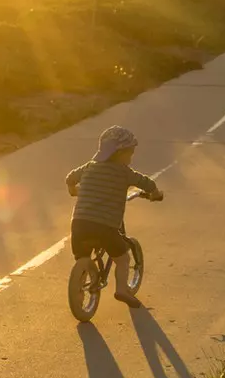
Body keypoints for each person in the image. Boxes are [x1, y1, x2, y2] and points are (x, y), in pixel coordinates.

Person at [64, 125, 163, 309]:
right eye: (130, 153)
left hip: (79, 224)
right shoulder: (123, 172)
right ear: (120, 154)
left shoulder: (89, 167)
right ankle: (122, 290)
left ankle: (80, 289)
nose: (131, 157)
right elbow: (147, 183)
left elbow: (70, 178)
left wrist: (74, 191)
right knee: (123, 258)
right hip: (105, 226)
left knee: (82, 258)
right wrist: (156, 194)